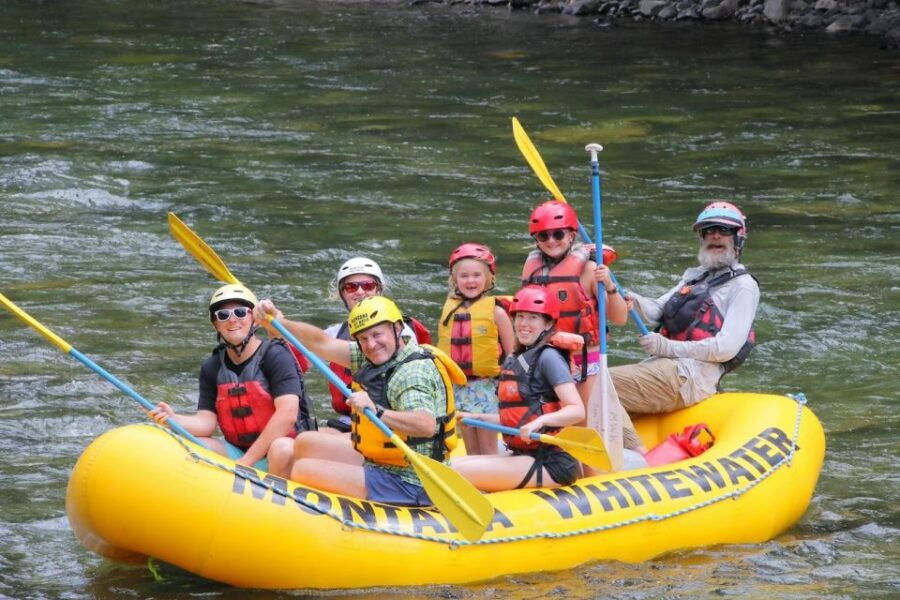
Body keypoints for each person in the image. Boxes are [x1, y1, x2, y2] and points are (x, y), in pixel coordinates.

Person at [255, 296, 462, 505]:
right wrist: (277, 322)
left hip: (411, 479)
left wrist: (377, 411)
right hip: (385, 463)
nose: (371, 344)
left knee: (303, 470)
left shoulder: (412, 373)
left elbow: (425, 425)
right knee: (304, 442)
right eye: (363, 338)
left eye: (377, 334)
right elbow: (321, 342)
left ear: (397, 328)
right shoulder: (376, 354)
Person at [613, 202, 760, 453]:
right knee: (585, 381)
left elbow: (725, 348)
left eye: (723, 231)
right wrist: (629, 298)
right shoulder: (695, 276)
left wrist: (667, 346)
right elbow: (656, 311)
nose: (715, 235)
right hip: (666, 367)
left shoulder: (743, 287)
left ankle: (638, 457)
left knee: (600, 383)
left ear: (738, 239)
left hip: (691, 376)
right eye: (708, 230)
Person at [149, 284, 314, 471]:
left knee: (281, 448)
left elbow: (287, 415)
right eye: (223, 315)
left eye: (241, 312)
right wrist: (173, 419)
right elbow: (206, 423)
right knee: (192, 444)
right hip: (239, 453)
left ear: (255, 319)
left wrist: (246, 463)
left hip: (281, 453)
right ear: (215, 324)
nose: (232, 320)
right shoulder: (212, 367)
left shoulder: (275, 355)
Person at [452, 286, 585, 491]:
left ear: (548, 323)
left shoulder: (548, 357)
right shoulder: (517, 359)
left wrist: (540, 422)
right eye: (520, 316)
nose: (524, 324)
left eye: (533, 317)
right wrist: (477, 417)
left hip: (552, 461)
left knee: (454, 471)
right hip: (524, 455)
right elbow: (521, 419)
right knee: (446, 466)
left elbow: (577, 409)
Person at [521, 200, 628, 419]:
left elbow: (620, 318)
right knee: (550, 415)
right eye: (543, 236)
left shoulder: (589, 269)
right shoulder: (531, 267)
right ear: (536, 240)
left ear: (571, 235)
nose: (551, 241)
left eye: (558, 234)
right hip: (547, 355)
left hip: (584, 359)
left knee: (581, 417)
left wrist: (609, 286)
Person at [323, 257, 432, 433]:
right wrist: (276, 325)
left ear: (379, 289)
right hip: (349, 420)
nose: (359, 292)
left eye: (367, 285)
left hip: (389, 422)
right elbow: (304, 348)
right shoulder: (335, 333)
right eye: (351, 287)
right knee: (301, 440)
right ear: (342, 294)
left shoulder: (400, 332)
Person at [437, 243, 515, 455]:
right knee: (471, 446)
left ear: (489, 278)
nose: (470, 281)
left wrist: (509, 389)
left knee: (487, 446)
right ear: (454, 280)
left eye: (476, 275)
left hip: (487, 388)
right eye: (464, 276)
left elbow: (512, 355)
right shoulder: (450, 308)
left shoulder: (497, 312)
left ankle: (493, 483)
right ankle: (476, 483)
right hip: (459, 389)